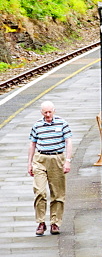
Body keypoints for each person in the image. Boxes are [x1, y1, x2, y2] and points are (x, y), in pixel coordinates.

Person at [27, 101, 72, 236]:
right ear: (41, 112)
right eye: (45, 112)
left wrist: (67, 161)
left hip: (57, 158)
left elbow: (68, 141)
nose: (48, 115)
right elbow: (32, 144)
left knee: (58, 193)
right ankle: (41, 222)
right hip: (40, 159)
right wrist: (29, 163)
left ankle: (55, 223)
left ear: (54, 111)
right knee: (40, 191)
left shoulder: (62, 123)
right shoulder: (37, 125)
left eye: (50, 112)